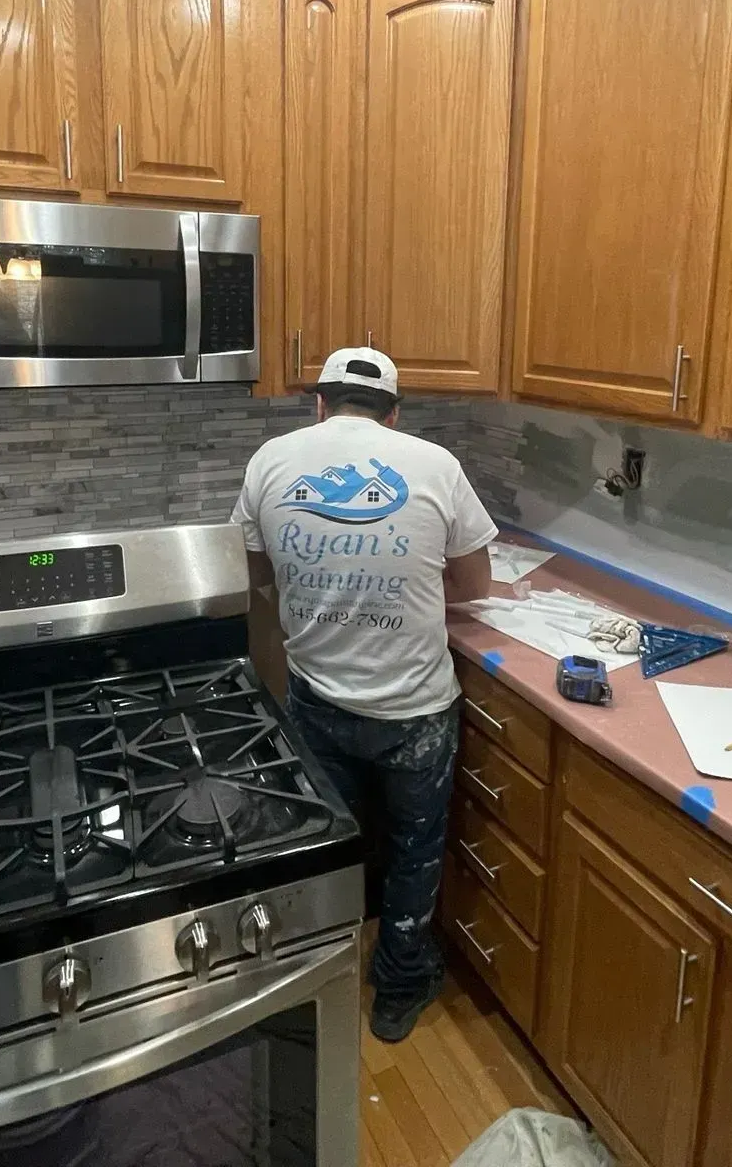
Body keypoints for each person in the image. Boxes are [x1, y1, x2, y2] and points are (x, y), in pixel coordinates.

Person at [231, 347, 497, 1043]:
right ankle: (397, 993)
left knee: (329, 846)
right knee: (413, 851)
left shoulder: (270, 461)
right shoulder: (435, 464)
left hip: (318, 701)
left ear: (319, 403)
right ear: (394, 414)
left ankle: (319, 980)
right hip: (415, 713)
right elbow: (476, 587)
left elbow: (256, 572)